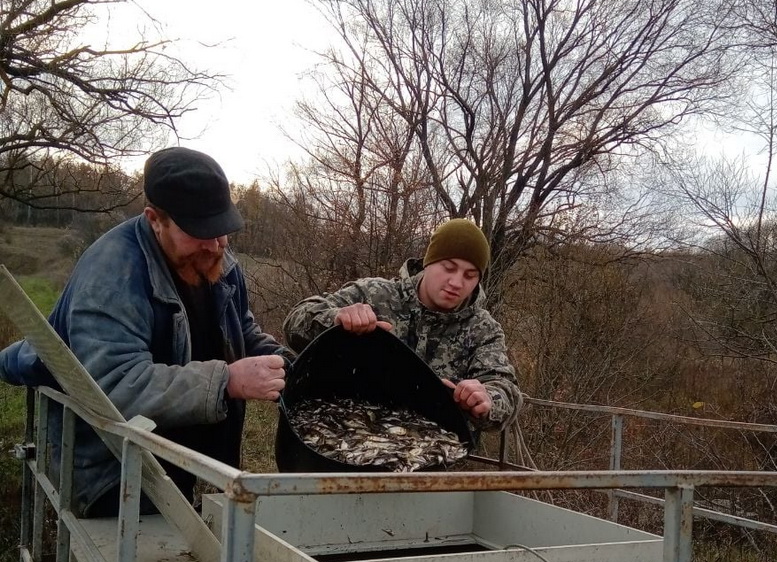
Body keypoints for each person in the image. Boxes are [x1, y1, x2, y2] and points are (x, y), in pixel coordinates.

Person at [0, 147, 290, 516]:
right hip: (115, 472)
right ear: (155, 219)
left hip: (185, 458)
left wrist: (286, 363)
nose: (216, 245)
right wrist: (225, 381)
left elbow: (242, 331)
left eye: (222, 230)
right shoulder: (111, 276)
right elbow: (115, 385)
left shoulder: (215, 257)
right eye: (201, 232)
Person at [283, 218, 521, 431]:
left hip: (433, 455)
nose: (457, 282)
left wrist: (487, 399)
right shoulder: (375, 294)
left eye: (470, 275)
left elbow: (506, 390)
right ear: (428, 263)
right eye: (448, 268)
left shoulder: (483, 328)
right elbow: (295, 322)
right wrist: (336, 319)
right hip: (348, 433)